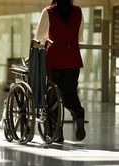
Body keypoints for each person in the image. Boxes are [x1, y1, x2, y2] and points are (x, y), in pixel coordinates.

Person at [34, 0, 86, 142]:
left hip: (54, 59)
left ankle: (56, 133)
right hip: (73, 59)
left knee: (53, 96)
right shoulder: (78, 11)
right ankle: (78, 113)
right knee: (70, 93)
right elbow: (79, 36)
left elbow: (39, 37)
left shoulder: (48, 11)